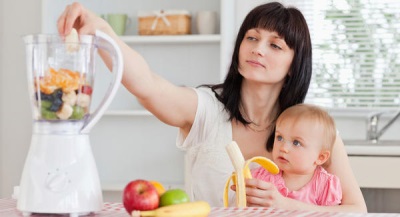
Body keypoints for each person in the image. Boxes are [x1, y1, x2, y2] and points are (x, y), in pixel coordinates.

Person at [57, 2, 367, 212]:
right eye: (251, 37)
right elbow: (149, 86)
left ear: (294, 64)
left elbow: (357, 211)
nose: (258, 49)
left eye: (274, 45)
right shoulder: (205, 109)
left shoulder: (316, 133)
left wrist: (289, 206)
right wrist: (102, 33)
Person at [249, 104, 342, 206]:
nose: (283, 148)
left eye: (296, 143)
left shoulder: (325, 185)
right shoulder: (262, 176)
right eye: (279, 138)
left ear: (321, 157)